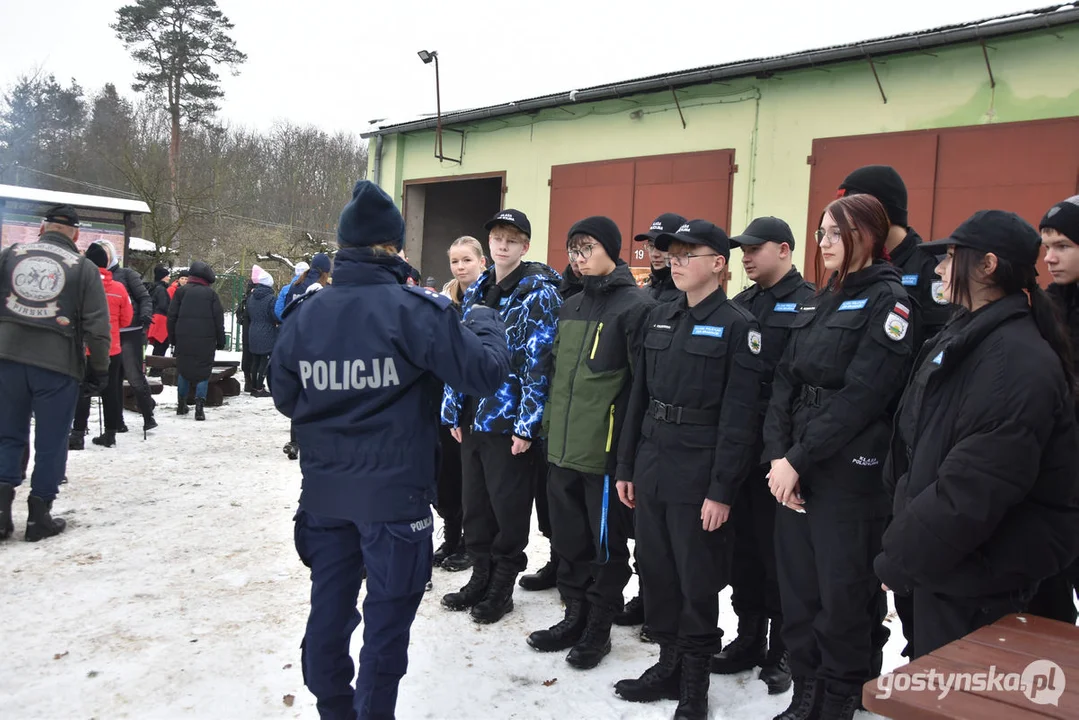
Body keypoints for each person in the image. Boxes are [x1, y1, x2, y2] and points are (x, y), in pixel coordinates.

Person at [270, 180, 510, 720]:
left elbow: (286, 395)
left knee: (328, 611)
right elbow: (485, 373)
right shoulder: (416, 310)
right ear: (392, 248)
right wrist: (485, 321)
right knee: (387, 622)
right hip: (394, 498)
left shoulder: (307, 314)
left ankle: (334, 706)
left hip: (325, 496)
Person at [875, 210, 1079, 657]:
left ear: (987, 266)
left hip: (980, 575)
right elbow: (921, 440)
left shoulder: (1014, 361)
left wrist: (904, 555)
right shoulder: (967, 335)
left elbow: (976, 485)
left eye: (951, 258)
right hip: (949, 563)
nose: (941, 269)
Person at [762, 194, 914, 720]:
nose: (822, 242)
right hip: (795, 467)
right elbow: (785, 378)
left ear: (868, 235)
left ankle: (840, 696)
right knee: (799, 591)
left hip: (848, 471)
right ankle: (807, 691)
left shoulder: (890, 302)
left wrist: (799, 458)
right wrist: (779, 457)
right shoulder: (821, 298)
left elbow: (865, 395)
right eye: (821, 232)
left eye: (833, 232)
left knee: (842, 595)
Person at [612, 220, 762, 720]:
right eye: (670, 255)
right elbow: (638, 397)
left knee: (696, 578)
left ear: (718, 263)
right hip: (653, 463)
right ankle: (668, 664)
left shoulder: (739, 326)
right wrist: (627, 465)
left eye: (686, 255)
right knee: (655, 571)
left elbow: (741, 417)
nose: (674, 263)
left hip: (699, 472)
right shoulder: (659, 316)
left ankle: (694, 684)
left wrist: (722, 491)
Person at [527, 216, 653, 669]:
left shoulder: (636, 307)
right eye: (573, 250)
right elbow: (557, 376)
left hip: (602, 457)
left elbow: (641, 390)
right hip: (560, 450)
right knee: (568, 541)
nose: (578, 259)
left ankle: (598, 629)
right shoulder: (571, 305)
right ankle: (573, 615)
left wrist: (627, 460)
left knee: (605, 549)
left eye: (587, 249)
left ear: (612, 251)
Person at [440, 208, 562, 624]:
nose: (503, 244)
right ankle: (480, 575)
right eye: (497, 237)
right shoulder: (476, 289)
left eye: (512, 239)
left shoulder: (538, 293)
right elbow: (461, 352)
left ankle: (502, 585)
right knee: (475, 504)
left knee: (506, 507)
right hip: (474, 416)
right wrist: (452, 409)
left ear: (525, 246)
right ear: (488, 243)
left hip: (508, 420)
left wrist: (528, 425)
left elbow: (538, 362)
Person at [711, 217, 815, 694]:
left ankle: (783, 650)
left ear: (785, 250)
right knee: (745, 554)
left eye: (756, 248)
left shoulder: (810, 303)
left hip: (782, 455)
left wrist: (788, 454)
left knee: (782, 559)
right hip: (741, 451)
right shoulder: (741, 305)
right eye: (742, 250)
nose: (746, 256)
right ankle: (748, 637)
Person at [0, 205, 110, 542]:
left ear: (42, 228)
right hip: (58, 364)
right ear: (76, 234)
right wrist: (99, 369)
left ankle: (1, 514)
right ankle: (39, 516)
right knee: (51, 439)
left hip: (6, 357)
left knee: (6, 433)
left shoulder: (9, 255)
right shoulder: (83, 268)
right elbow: (98, 327)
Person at [1028, 194, 1079, 624]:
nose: (1050, 258)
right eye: (1046, 246)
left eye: (1063, 245)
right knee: (1048, 601)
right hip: (1054, 479)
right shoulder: (1047, 305)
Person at [433, 236, 488, 571]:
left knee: (472, 479)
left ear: (482, 261)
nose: (461, 267)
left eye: (467, 260)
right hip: (445, 402)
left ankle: (471, 541)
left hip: (478, 404)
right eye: (455, 261)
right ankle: (451, 535)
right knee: (447, 476)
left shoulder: (492, 299)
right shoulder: (444, 303)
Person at [70, 243, 133, 449]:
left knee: (83, 390)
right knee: (111, 390)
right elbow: (127, 319)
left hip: (85, 348)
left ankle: (78, 433)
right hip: (111, 347)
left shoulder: (80, 287)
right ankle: (110, 433)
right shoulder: (119, 288)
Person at [97, 240, 156, 434]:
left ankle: (148, 416)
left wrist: (145, 315)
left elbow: (144, 297)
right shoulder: (92, 276)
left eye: (106, 253)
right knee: (112, 380)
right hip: (107, 334)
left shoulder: (127, 274)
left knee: (134, 376)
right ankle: (117, 421)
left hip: (130, 332)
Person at [167, 261, 225, 422]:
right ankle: (199, 408)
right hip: (205, 340)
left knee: (184, 370)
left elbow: (171, 317)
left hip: (183, 338)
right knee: (203, 373)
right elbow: (218, 320)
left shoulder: (181, 292)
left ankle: (181, 404)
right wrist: (221, 341)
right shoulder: (211, 295)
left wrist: (173, 338)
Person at [633, 212, 687, 302]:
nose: (654, 254)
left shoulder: (690, 298)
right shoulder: (642, 293)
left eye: (662, 247)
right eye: (651, 246)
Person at [244, 265, 278, 397]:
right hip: (266, 331)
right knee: (264, 361)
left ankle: (253, 386)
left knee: (255, 361)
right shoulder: (271, 299)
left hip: (253, 330)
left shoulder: (251, 297)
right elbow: (274, 315)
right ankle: (259, 388)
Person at [147, 265, 171, 367]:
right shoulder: (161, 289)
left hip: (155, 318)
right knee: (162, 345)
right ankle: (156, 369)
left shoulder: (154, 288)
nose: (169, 278)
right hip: (161, 319)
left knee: (159, 345)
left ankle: (155, 368)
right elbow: (163, 305)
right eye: (167, 276)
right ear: (162, 277)